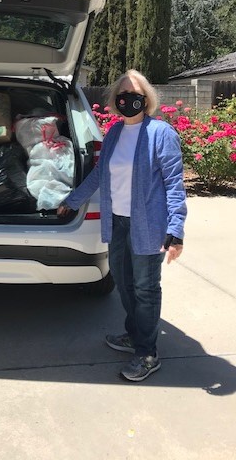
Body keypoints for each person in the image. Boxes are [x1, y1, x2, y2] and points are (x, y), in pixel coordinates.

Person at [58, 69, 187, 381]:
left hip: (148, 225)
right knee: (124, 282)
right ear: (116, 99)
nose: (129, 99)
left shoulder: (161, 133)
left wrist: (176, 230)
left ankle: (147, 353)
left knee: (145, 288)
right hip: (116, 222)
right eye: (123, 94)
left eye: (135, 94)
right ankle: (135, 334)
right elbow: (100, 174)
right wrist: (73, 201)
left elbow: (174, 184)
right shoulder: (115, 132)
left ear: (146, 98)